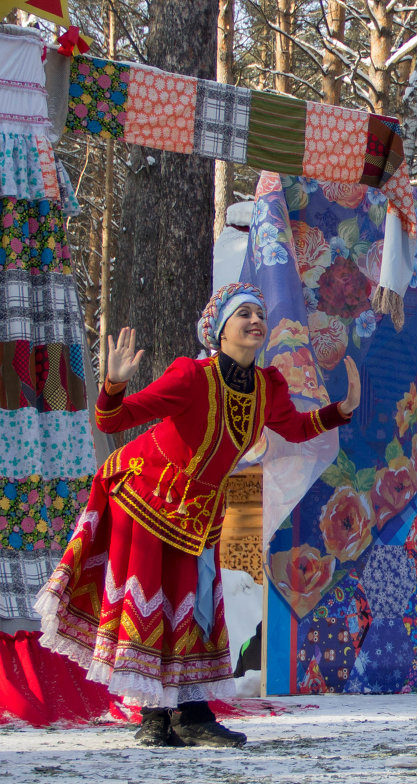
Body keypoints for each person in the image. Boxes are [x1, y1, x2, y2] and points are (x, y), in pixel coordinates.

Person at [36, 283, 359, 747]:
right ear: (219, 330)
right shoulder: (191, 375)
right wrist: (114, 383)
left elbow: (294, 427)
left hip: (200, 513)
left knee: (194, 610)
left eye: (258, 314)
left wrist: (339, 411)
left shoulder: (268, 386)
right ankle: (157, 717)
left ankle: (186, 715)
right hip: (145, 496)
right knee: (154, 605)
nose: (255, 321)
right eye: (243, 314)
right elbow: (112, 420)